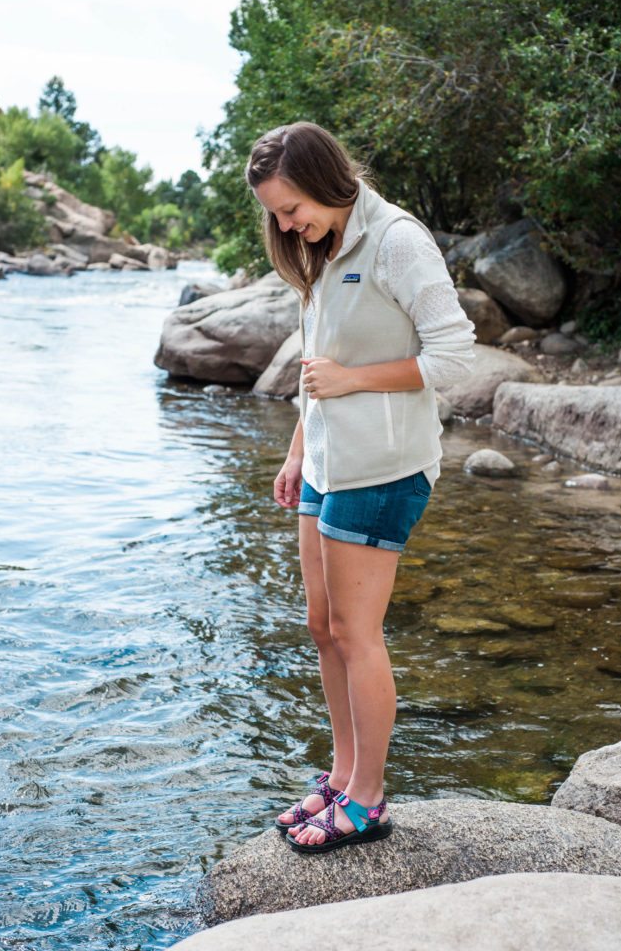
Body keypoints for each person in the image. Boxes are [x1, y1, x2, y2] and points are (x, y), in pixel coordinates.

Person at [245, 122, 476, 854]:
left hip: (383, 466)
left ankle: (368, 800)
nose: (285, 225)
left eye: (290, 208)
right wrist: (294, 454)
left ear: (323, 180)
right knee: (322, 628)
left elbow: (455, 353)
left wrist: (354, 382)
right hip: (325, 463)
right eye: (276, 215)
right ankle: (342, 777)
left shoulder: (397, 240)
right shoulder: (320, 249)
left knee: (355, 632)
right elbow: (321, 361)